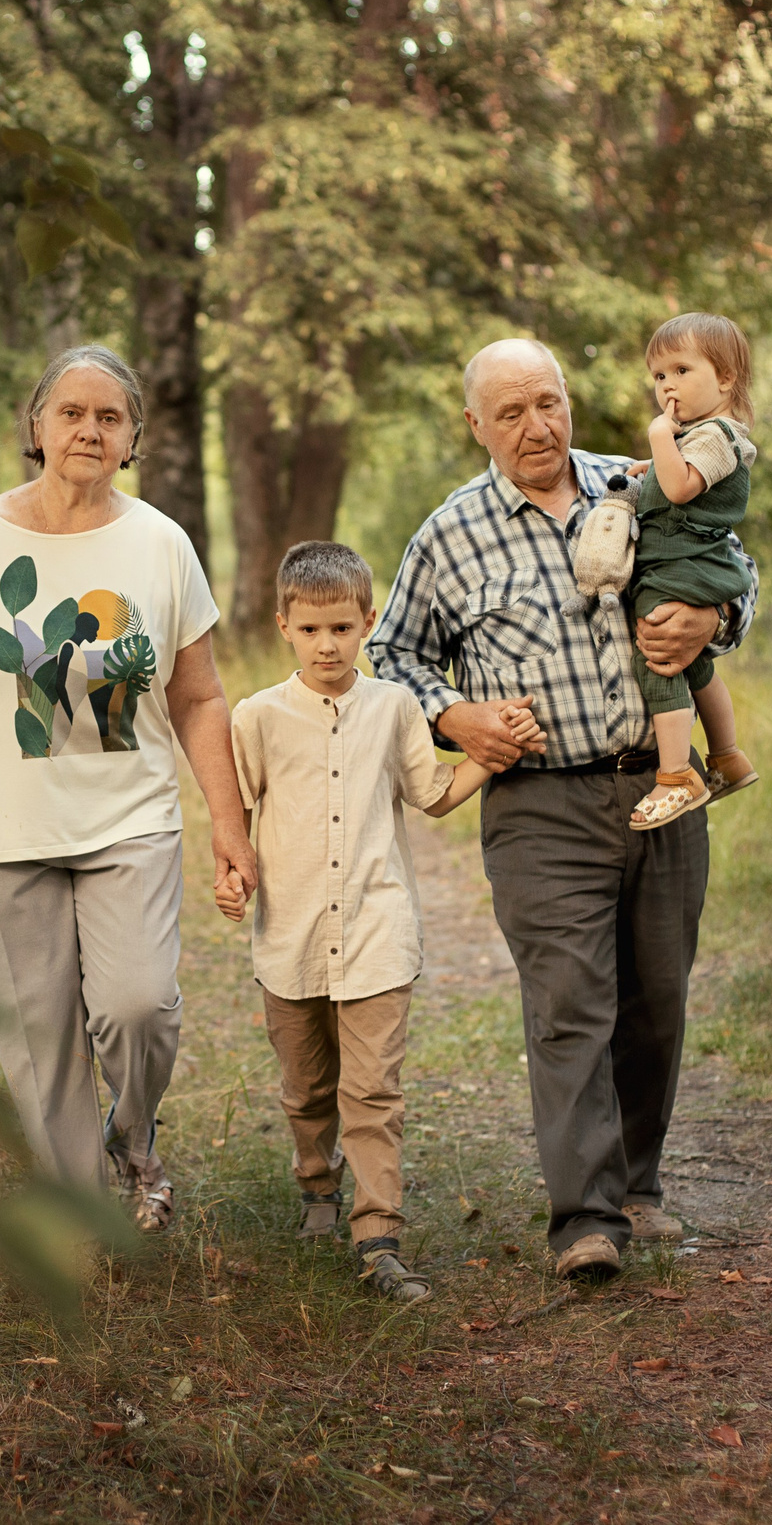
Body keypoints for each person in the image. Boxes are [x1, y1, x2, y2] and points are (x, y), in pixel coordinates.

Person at [369, 338, 756, 1279]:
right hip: (539, 804)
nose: (537, 425)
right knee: (570, 1005)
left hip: (661, 784)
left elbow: (736, 572)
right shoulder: (450, 534)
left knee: (655, 999)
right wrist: (455, 714)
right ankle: (586, 1217)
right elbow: (391, 656)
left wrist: (714, 619)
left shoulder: (641, 482)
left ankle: (639, 1184)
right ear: (476, 426)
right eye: (511, 412)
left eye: (549, 402)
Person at [0, 343, 257, 1234]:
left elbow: (199, 693)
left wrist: (228, 822)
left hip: (127, 821)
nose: (89, 430)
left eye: (109, 417)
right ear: (37, 426)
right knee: (41, 1045)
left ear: (132, 438)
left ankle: (133, 1143)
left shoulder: (161, 542)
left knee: (139, 1005)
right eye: (71, 412)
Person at [213, 542, 536, 1303]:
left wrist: (496, 752)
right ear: (284, 625)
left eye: (343, 628)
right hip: (288, 937)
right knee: (306, 1086)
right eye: (312, 629)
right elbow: (237, 815)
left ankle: (378, 1234)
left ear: (367, 622)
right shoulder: (255, 717)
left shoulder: (394, 707)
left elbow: (433, 793)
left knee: (374, 1090)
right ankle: (317, 1186)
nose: (328, 645)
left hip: (376, 932)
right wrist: (233, 879)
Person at [584, 313, 762, 830]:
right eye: (659, 376)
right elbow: (669, 481)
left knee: (657, 658)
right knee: (691, 662)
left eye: (681, 370)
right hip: (681, 566)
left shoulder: (716, 435)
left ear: (725, 378)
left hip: (685, 570)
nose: (667, 387)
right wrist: (649, 466)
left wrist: (660, 436)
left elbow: (682, 488)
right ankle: (727, 755)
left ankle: (676, 775)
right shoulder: (693, 438)